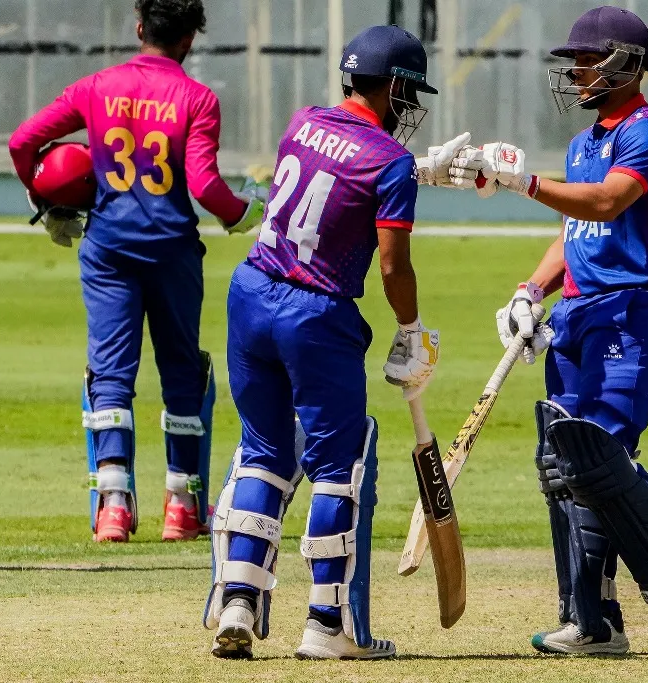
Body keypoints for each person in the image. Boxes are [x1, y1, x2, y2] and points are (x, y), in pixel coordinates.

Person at [203, 25, 478, 660]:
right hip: (315, 314)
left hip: (251, 293)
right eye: (410, 92)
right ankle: (327, 625)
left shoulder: (302, 122)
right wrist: (410, 329)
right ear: (396, 87)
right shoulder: (390, 162)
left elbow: (334, 178)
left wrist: (419, 171)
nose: (412, 105)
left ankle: (238, 600)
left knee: (263, 452)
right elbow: (393, 265)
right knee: (338, 466)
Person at [457, 5, 648, 657]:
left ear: (625, 64)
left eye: (586, 61)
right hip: (574, 313)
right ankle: (592, 621)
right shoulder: (582, 144)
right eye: (573, 62)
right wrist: (528, 290)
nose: (575, 73)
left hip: (628, 310)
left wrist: (523, 182)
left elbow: (606, 202)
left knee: (600, 457)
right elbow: (576, 233)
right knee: (563, 465)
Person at [8, 0, 266, 543]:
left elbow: (21, 142)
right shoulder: (198, 98)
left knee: (110, 374)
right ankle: (182, 507)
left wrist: (44, 195)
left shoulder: (97, 86)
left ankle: (113, 508)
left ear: (140, 27)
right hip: (172, 251)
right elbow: (204, 186)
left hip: (108, 250)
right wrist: (244, 213)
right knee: (182, 373)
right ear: (188, 40)